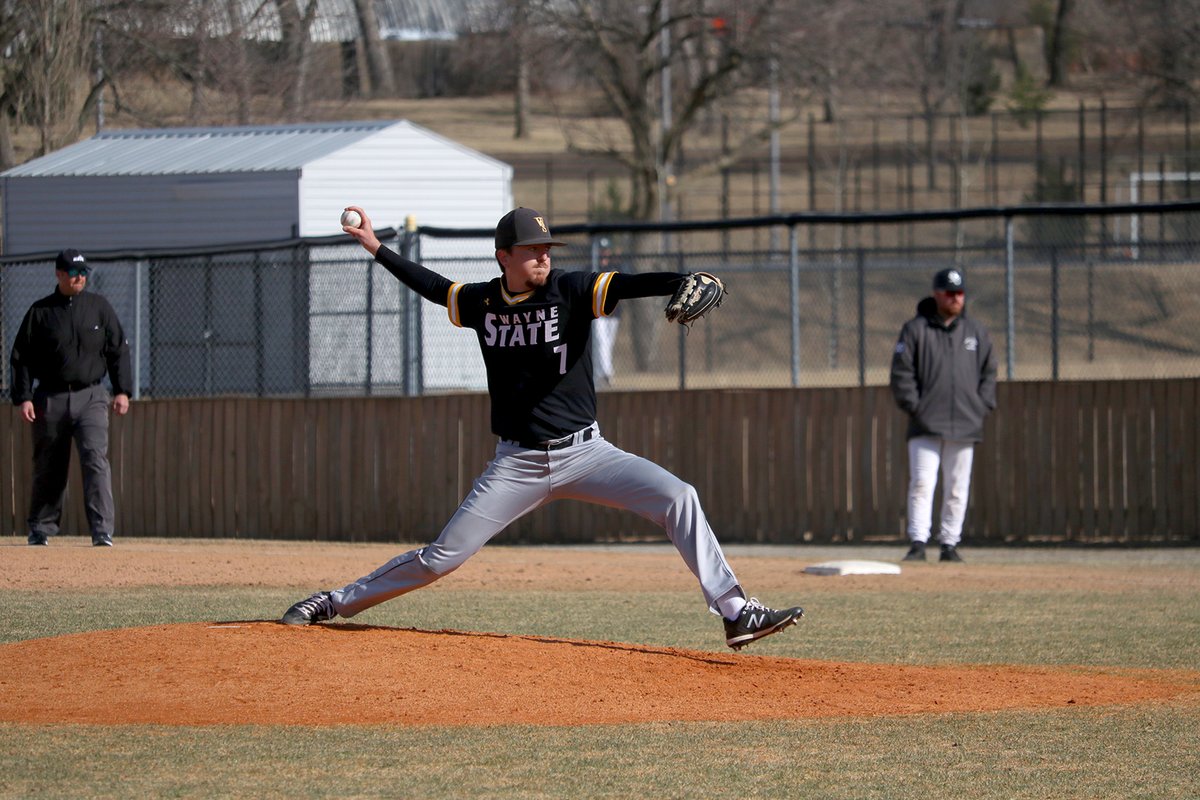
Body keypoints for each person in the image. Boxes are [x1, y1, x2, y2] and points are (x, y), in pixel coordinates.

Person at [282, 206, 803, 650]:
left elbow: (628, 283)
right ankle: (334, 601)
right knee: (441, 559)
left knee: (679, 496)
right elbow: (435, 287)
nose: (543, 257)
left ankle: (736, 612)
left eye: (546, 248)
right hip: (517, 463)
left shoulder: (571, 290)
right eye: (531, 250)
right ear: (503, 257)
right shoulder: (482, 302)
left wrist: (682, 279)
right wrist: (376, 247)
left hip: (589, 454)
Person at [9, 249, 133, 547]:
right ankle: (41, 528)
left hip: (91, 396)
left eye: (83, 273)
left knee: (95, 459)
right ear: (59, 274)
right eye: (74, 273)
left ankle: (102, 531)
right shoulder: (41, 312)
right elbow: (21, 358)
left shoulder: (99, 307)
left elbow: (118, 350)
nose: (80, 278)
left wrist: (122, 390)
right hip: (50, 397)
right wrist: (24, 397)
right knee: (49, 463)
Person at [889, 267, 996, 564]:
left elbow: (989, 372)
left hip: (965, 422)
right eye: (949, 293)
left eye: (959, 293)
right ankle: (918, 542)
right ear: (936, 294)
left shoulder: (975, 332)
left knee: (957, 487)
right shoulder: (916, 330)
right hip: (926, 422)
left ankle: (949, 543)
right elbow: (901, 372)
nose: (955, 298)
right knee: (922, 483)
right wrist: (915, 407)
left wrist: (980, 406)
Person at [591, 237, 621, 388]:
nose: (603, 253)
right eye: (601, 250)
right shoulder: (592, 266)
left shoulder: (614, 267)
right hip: (598, 313)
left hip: (614, 313)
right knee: (600, 341)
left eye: (605, 250)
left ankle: (599, 375)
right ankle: (607, 373)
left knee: (608, 344)